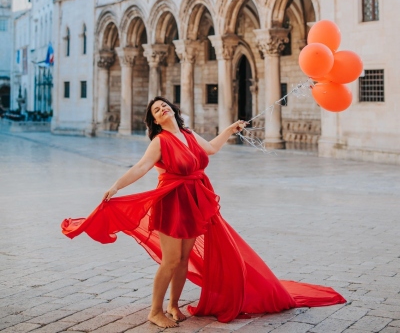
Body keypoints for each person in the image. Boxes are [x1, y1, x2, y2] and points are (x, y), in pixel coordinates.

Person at [62, 97, 346, 326]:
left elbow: (209, 150)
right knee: (171, 260)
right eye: (156, 111)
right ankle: (155, 310)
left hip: (194, 201)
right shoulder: (160, 141)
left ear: (173, 110)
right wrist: (116, 186)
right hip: (172, 203)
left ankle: (173, 305)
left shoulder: (188, 134)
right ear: (156, 121)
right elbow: (141, 167)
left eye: (164, 106)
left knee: (184, 258)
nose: (161, 109)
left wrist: (229, 130)